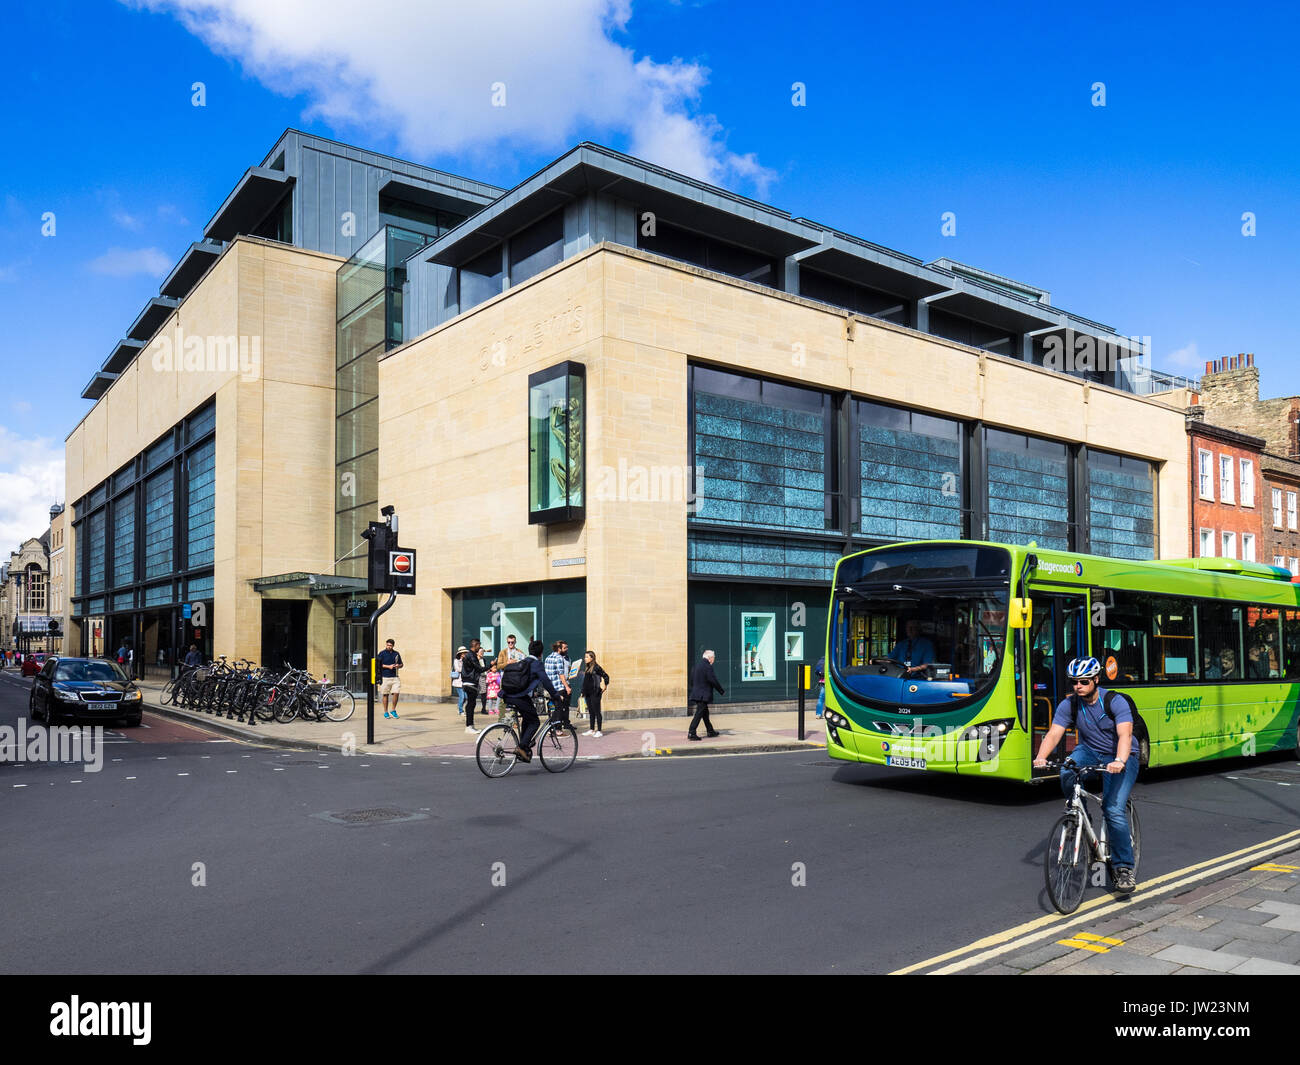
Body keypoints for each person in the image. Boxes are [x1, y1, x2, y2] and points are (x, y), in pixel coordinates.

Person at [1032, 656, 1138, 894]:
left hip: (1121, 755)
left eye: (1083, 681)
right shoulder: (1069, 704)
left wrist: (1119, 761)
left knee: (1112, 810)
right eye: (1074, 682)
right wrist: (1041, 756)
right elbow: (1053, 734)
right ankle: (1078, 814)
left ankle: (1123, 868)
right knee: (1067, 771)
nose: (1078, 686)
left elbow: (1125, 736)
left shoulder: (1114, 701)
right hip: (1089, 750)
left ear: (1096, 680)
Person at [501, 639, 562, 763]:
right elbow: (546, 682)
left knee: (527, 718)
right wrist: (555, 696)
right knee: (535, 722)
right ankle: (521, 747)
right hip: (519, 697)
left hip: (508, 695)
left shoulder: (523, 661)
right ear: (541, 653)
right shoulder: (537, 664)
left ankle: (524, 747)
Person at [688, 650, 724, 740]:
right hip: (703, 694)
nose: (713, 660)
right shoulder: (707, 667)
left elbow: (691, 680)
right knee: (699, 713)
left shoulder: (696, 665)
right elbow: (713, 680)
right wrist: (721, 690)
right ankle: (691, 732)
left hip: (697, 693)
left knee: (705, 713)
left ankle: (710, 731)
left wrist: (695, 689)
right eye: (713, 658)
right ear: (710, 658)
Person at [580, 651, 610, 738]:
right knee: (591, 712)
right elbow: (586, 681)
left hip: (595, 692)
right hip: (588, 693)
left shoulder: (596, 667)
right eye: (585, 657)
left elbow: (606, 676)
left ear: (592, 658)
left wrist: (605, 686)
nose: (585, 658)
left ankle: (599, 731)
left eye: (587, 657)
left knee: (597, 712)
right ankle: (591, 729)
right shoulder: (588, 667)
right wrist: (583, 691)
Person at [460, 640, 484, 734]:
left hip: (468, 682)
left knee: (471, 704)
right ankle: (469, 726)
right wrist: (491, 665)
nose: (480, 647)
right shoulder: (471, 655)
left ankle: (470, 726)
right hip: (470, 683)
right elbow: (479, 669)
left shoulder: (470, 655)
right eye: (479, 645)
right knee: (471, 704)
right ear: (476, 645)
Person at [377, 638, 403, 719]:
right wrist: (388, 666)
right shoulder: (382, 653)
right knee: (385, 695)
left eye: (390, 645)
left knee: (396, 693)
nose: (389, 647)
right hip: (385, 677)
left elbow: (401, 664)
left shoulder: (396, 654)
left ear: (393, 646)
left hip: (395, 677)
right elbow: (378, 665)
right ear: (386, 645)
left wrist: (398, 666)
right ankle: (385, 711)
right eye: (387, 645)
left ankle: (393, 710)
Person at [545, 641, 571, 713]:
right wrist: (567, 687)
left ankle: (553, 723)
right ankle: (559, 723)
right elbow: (561, 674)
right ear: (559, 649)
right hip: (559, 688)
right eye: (565, 648)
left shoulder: (548, 657)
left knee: (552, 709)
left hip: (550, 688)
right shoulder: (559, 658)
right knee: (560, 709)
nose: (567, 649)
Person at [815, 655, 826, 719]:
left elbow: (816, 671)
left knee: (821, 698)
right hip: (829, 682)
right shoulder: (830, 661)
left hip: (822, 681)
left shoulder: (820, 661)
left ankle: (818, 714)